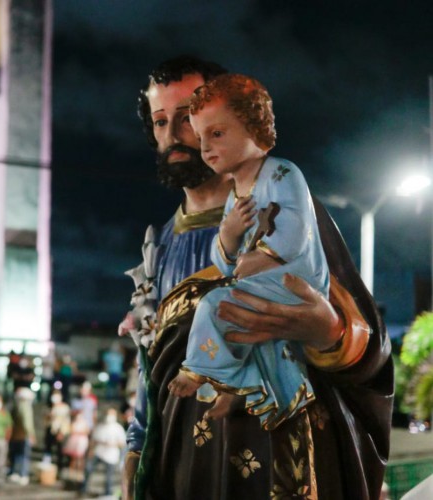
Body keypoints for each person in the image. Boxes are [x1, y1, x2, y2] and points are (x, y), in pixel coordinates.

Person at [120, 55, 391, 499]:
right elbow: (153, 358)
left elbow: (370, 347)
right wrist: (136, 448)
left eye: (189, 117)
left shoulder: (284, 206)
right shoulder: (161, 242)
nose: (175, 134)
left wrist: (326, 330)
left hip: (275, 449)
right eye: (160, 120)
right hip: (181, 458)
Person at [166, 73, 329, 427]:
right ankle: (241, 390)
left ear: (254, 129)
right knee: (238, 322)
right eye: (201, 137)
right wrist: (228, 233)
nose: (205, 147)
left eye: (217, 133)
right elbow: (225, 267)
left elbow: (294, 234)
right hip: (258, 280)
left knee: (214, 305)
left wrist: (257, 258)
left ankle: (197, 372)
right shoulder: (235, 194)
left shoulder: (283, 174)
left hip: (294, 280)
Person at [80, 408, 127, 498]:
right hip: (99, 453)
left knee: (109, 476)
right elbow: (93, 440)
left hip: (111, 455)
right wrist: (91, 451)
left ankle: (107, 493)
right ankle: (83, 488)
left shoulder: (118, 428)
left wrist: (113, 444)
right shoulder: (100, 426)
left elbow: (122, 443)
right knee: (88, 469)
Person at [7, 387, 35, 485]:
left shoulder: (14, 406)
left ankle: (15, 472)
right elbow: (28, 424)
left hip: (15, 436)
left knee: (16, 455)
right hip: (23, 436)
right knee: (24, 456)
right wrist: (31, 435)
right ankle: (23, 474)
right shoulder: (25, 407)